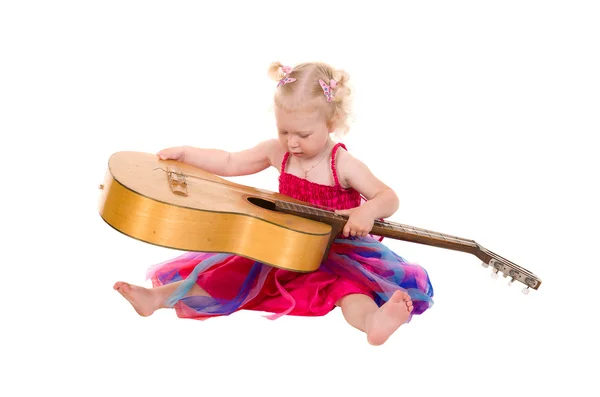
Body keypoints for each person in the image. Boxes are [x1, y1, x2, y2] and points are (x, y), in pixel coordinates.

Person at [113, 61, 434, 346]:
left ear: (332, 123)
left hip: (339, 251)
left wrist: (367, 210)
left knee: (349, 290)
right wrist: (188, 154)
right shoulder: (277, 151)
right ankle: (155, 298)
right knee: (228, 272)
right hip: (284, 243)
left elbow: (388, 197)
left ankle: (373, 323)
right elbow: (228, 161)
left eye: (303, 134)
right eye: (284, 131)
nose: (292, 142)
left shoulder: (342, 163)